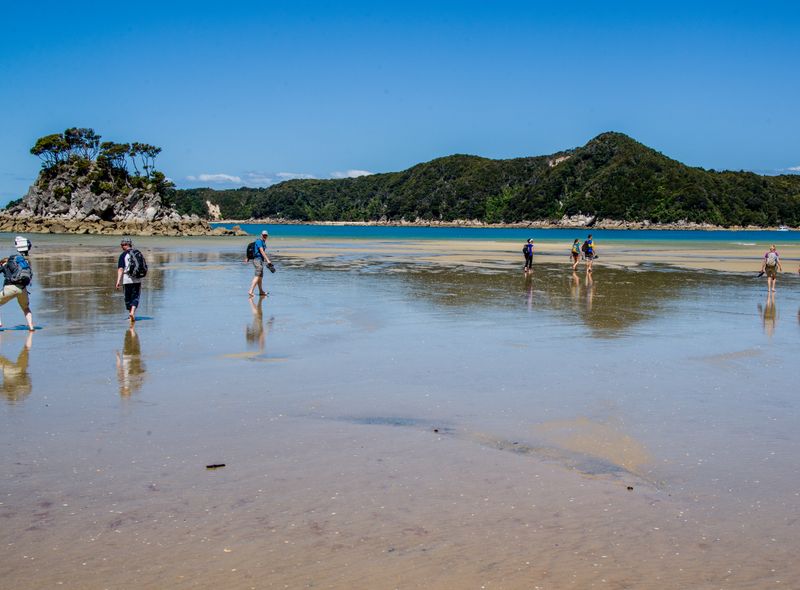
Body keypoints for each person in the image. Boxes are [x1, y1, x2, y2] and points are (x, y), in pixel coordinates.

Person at [0, 236, 35, 332]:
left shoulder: (5, 265)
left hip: (10, 288)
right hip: (22, 289)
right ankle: (31, 327)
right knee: (26, 308)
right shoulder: (22, 264)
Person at [115, 237, 142, 322]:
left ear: (126, 244)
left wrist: (118, 281)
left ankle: (130, 314)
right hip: (137, 278)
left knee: (128, 297)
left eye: (122, 245)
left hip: (127, 279)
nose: (121, 246)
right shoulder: (137, 252)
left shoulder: (123, 255)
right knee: (136, 296)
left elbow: (120, 269)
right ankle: (132, 313)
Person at [248, 229, 274, 297]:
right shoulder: (259, 241)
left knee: (260, 277)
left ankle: (261, 291)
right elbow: (261, 251)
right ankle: (250, 291)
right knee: (257, 275)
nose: (265, 236)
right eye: (264, 235)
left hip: (260, 260)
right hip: (257, 260)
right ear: (261, 235)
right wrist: (268, 260)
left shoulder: (263, 242)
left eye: (266, 235)